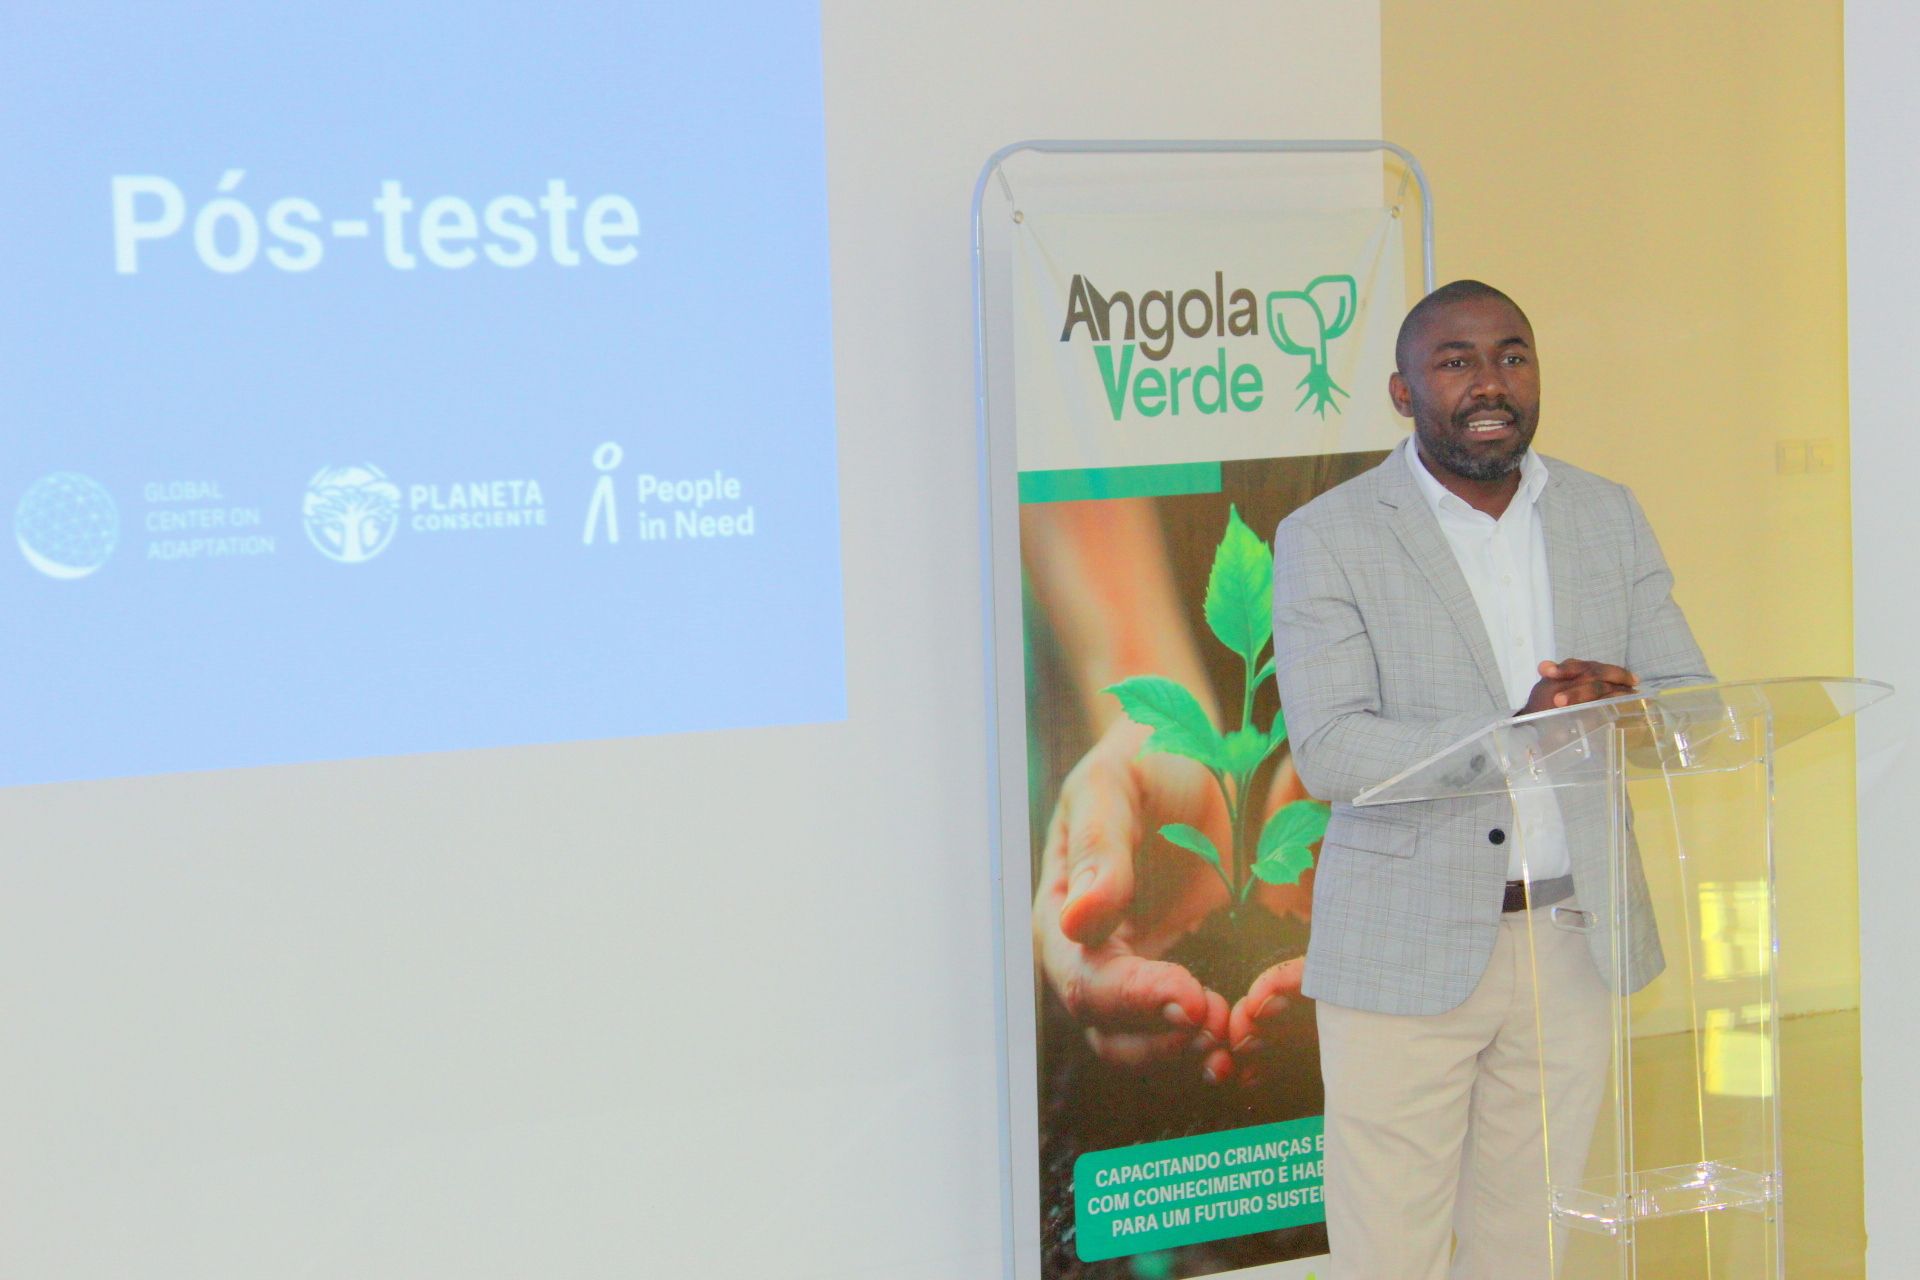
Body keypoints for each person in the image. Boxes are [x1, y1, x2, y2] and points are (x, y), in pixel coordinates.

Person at [1270, 280, 1711, 1279]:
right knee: (1392, 1252)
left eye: (1512, 355)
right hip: (1403, 946)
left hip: (1572, 940)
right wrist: (1513, 735)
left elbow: (1693, 703)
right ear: (1403, 391)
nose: (1490, 382)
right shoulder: (1331, 534)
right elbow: (1332, 749)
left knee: (1527, 1249)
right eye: (1456, 360)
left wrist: (1627, 702)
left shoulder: (1605, 513)